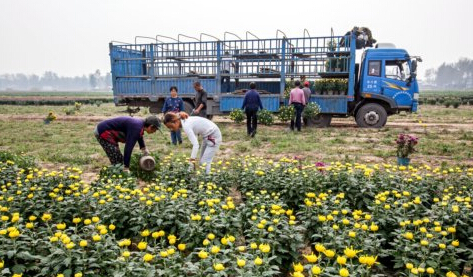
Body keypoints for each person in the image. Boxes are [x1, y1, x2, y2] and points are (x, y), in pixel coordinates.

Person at [94, 115, 160, 172]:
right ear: (151, 126)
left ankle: (118, 174)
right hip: (103, 131)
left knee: (119, 159)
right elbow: (128, 148)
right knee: (116, 158)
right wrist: (126, 167)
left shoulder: (140, 125)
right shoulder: (136, 127)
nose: (154, 132)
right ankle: (115, 177)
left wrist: (143, 148)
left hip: (108, 131)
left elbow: (139, 135)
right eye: (155, 130)